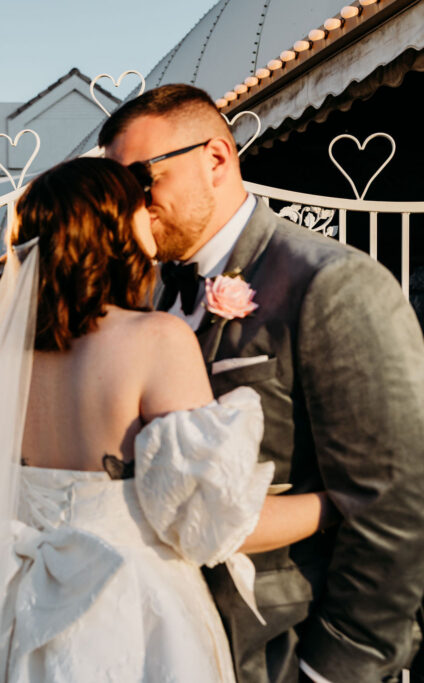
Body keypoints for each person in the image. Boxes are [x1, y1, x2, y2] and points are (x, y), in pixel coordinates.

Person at [0, 157, 334, 682]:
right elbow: (209, 523)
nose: (151, 213)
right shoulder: (157, 340)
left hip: (8, 610)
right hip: (127, 611)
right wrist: (335, 502)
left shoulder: (8, 359)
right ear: (112, 224)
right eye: (139, 205)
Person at [100, 84, 424, 683]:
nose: (129, 207)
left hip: (279, 650)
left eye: (141, 182)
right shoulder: (146, 298)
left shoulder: (332, 285)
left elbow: (395, 507)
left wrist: (329, 670)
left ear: (216, 159)